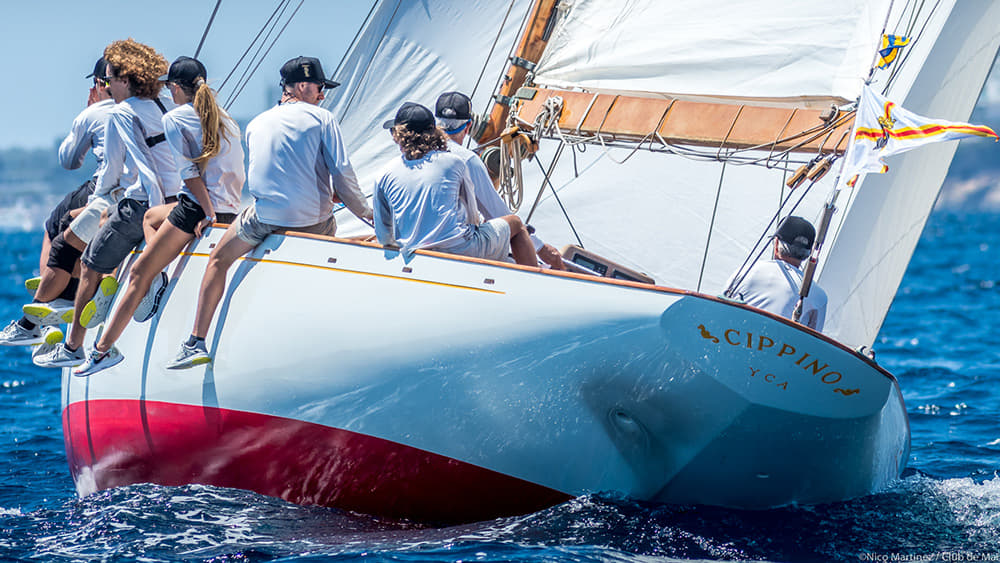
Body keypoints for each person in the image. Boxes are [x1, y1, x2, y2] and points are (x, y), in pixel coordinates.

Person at [166, 56, 371, 370]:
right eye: (320, 87)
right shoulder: (322, 117)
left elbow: (265, 175)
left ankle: (195, 341)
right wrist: (369, 215)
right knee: (338, 232)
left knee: (218, 260)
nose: (322, 94)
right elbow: (343, 177)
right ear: (303, 85)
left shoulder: (258, 122)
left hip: (263, 217)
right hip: (311, 221)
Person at [73, 56, 244, 377]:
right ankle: (160, 271)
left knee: (138, 273)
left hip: (197, 209)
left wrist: (206, 213)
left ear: (175, 88)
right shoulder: (227, 119)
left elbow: (190, 175)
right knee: (152, 216)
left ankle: (102, 351)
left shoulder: (177, 117)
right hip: (230, 208)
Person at [34, 38, 180, 368]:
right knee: (100, 223)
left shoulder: (120, 114)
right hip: (177, 201)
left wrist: (96, 204)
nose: (108, 86)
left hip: (142, 204)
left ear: (126, 79)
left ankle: (73, 345)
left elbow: (111, 176)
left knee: (88, 263)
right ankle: (109, 282)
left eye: (111, 78)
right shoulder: (166, 105)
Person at [0, 57, 116, 347]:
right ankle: (62, 291)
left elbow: (69, 161)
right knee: (72, 219)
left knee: (56, 223)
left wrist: (89, 112)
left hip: (108, 188)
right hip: (147, 191)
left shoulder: (98, 111)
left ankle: (55, 300)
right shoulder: (151, 107)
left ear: (101, 85)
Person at [374, 102, 538, 267]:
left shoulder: (383, 173)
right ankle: (533, 281)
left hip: (412, 254)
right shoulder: (454, 162)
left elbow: (383, 237)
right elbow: (472, 218)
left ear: (397, 136)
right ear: (434, 131)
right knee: (515, 223)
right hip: (462, 249)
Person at [434, 91, 565, 270]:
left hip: (420, 242)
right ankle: (536, 283)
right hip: (457, 247)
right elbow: (497, 214)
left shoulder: (417, 154)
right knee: (515, 223)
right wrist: (540, 248)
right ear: (468, 126)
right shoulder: (467, 160)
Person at [725, 216, 828, 331]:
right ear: (808, 253)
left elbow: (721, 312)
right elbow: (813, 342)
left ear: (776, 243)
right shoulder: (819, 296)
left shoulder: (744, 272)